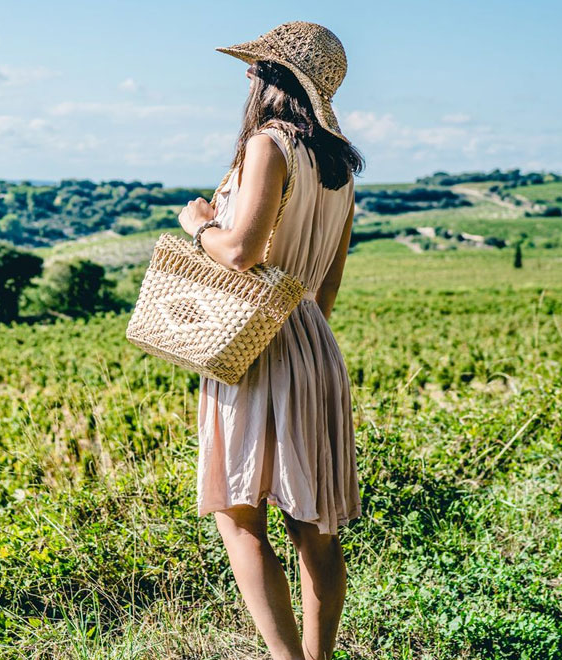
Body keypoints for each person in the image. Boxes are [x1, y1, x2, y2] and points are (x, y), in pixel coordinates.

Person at [175, 21, 365, 660]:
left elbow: (240, 252)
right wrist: (304, 334)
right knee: (314, 524)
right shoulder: (340, 167)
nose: (249, 77)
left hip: (256, 342)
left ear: (272, 78)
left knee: (239, 512)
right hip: (313, 340)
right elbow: (328, 288)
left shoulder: (268, 145)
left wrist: (198, 224)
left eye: (256, 68)